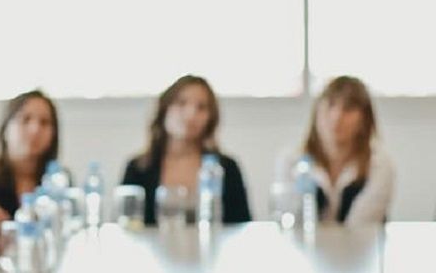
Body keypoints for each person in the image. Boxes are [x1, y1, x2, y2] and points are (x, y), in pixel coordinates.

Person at [121, 75, 252, 226]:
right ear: (164, 108)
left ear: (210, 118)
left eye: (201, 107)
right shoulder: (138, 168)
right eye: (181, 103)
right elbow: (126, 227)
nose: (191, 114)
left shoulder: (226, 167)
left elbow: (242, 227)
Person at [278, 75, 395, 224]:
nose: (337, 117)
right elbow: (290, 222)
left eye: (348, 109)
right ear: (316, 112)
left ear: (364, 119)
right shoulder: (291, 161)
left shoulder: (379, 164)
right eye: (330, 105)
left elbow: (361, 226)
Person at [0, 89, 62, 217]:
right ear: (5, 129)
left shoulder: (58, 180)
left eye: (44, 122)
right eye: (25, 120)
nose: (35, 130)